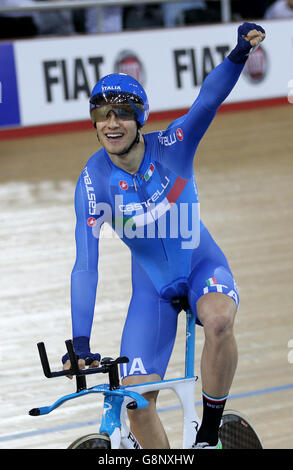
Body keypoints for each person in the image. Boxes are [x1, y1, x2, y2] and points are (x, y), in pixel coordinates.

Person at [62, 22, 265, 449]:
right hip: (150, 289)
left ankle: (209, 435)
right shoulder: (93, 181)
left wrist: (238, 55)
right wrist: (80, 339)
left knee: (220, 322)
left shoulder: (173, 145)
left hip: (200, 265)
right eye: (101, 114)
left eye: (120, 114)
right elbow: (85, 264)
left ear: (139, 118)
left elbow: (207, 100)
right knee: (136, 404)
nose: (110, 124)